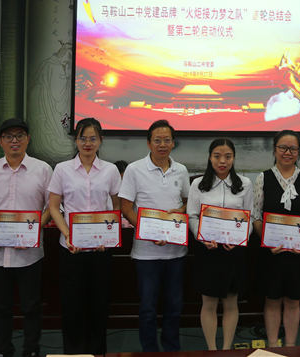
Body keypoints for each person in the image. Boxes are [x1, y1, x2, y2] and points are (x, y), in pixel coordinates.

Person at [0, 118, 52, 357]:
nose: (14, 141)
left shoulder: (43, 169)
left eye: (20, 136)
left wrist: (34, 230)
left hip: (30, 253)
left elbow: (51, 207)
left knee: (31, 306)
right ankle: (3, 351)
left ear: (28, 139)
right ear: (0, 141)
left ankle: (31, 350)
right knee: (0, 307)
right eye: (9, 136)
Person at [48, 118, 121, 355]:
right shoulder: (62, 169)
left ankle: (97, 352)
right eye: (82, 138)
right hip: (71, 249)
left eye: (92, 138)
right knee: (72, 307)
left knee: (99, 306)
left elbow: (116, 206)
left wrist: (109, 236)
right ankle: (74, 353)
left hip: (101, 250)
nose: (87, 143)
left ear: (100, 141)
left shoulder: (110, 170)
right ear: (75, 140)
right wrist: (68, 234)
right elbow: (54, 207)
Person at [118, 119, 190, 352]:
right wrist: (147, 232)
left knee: (174, 307)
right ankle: (149, 351)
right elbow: (126, 207)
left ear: (173, 143)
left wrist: (179, 212)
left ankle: (171, 349)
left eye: (167, 140)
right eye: (157, 140)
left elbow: (187, 203)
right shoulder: (134, 169)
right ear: (149, 143)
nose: (162, 145)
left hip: (176, 252)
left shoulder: (182, 170)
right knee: (148, 308)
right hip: (146, 254)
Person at [253, 129, 300, 348]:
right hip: (271, 253)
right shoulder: (263, 178)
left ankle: (291, 347)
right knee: (272, 300)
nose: (287, 152)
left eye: (293, 148)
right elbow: (256, 215)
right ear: (274, 150)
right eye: (283, 148)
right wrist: (267, 240)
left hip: (298, 253)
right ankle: (273, 346)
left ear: (298, 151)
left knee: (294, 300)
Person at [187, 138, 253, 350]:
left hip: (233, 251)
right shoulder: (198, 184)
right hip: (208, 250)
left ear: (234, 158)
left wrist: (240, 239)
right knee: (209, 303)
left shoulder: (245, 184)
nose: (222, 161)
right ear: (210, 158)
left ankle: (226, 349)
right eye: (217, 156)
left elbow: (250, 217)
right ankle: (211, 349)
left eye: (228, 156)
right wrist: (202, 238)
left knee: (231, 302)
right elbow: (192, 215)